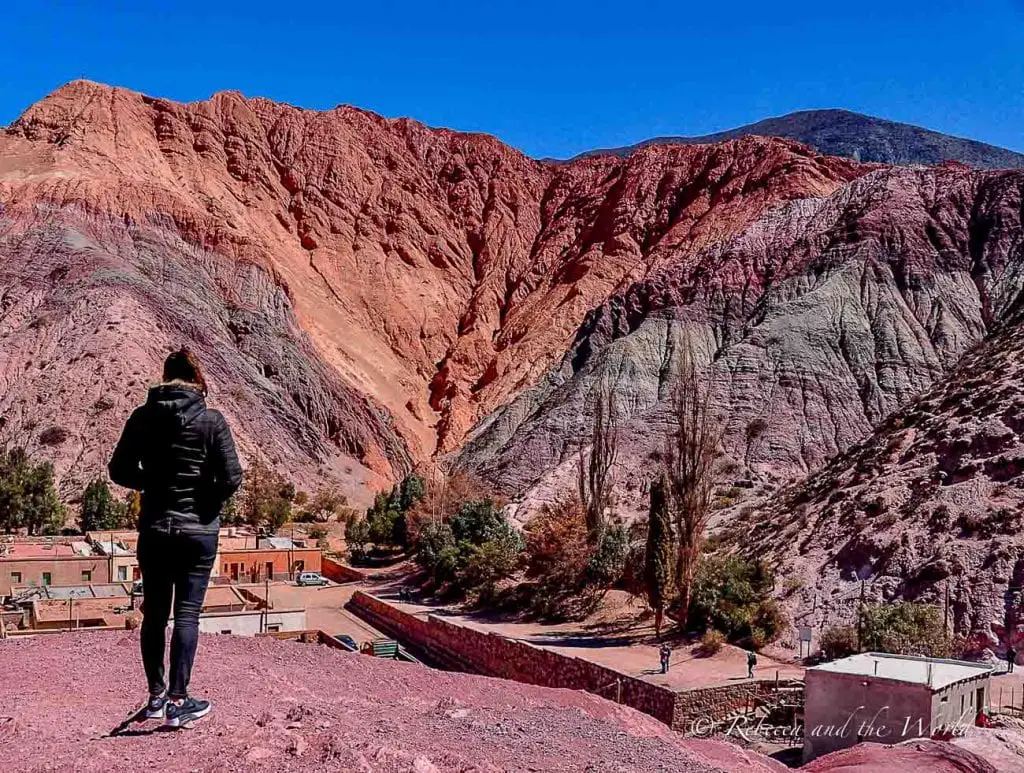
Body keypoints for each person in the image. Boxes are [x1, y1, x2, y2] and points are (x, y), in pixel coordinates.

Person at [109, 348, 243, 728]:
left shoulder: (142, 417)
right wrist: (204, 502)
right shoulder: (211, 421)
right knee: (186, 614)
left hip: (155, 527)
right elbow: (232, 477)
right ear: (196, 380)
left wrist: (153, 484)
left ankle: (155, 696)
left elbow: (118, 470)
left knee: (154, 615)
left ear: (165, 378)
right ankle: (178, 701)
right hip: (198, 532)